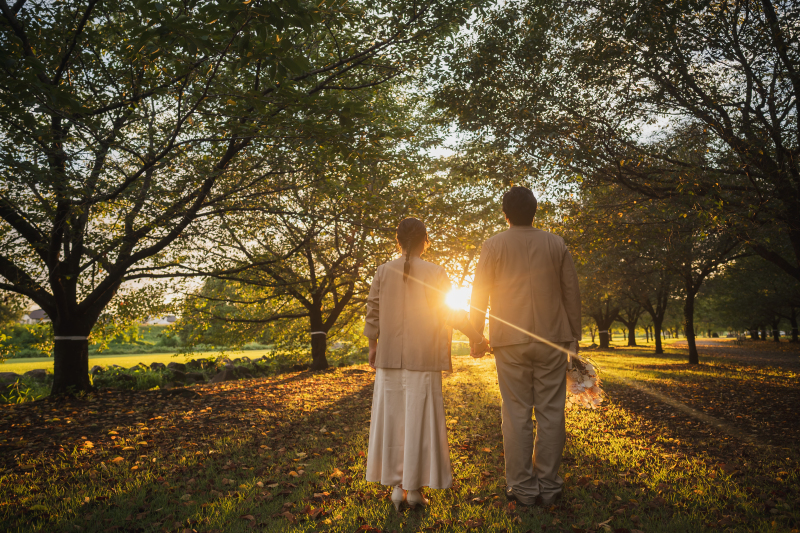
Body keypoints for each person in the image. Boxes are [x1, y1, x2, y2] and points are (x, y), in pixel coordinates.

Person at [364, 217, 488, 511]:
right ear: (425, 240)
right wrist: (477, 336)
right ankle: (415, 490)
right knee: (420, 421)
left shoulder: (383, 271)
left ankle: (398, 489)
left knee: (393, 421)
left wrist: (373, 346)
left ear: (398, 240)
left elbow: (373, 309)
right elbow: (452, 313)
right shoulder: (435, 272)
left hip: (390, 357)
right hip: (425, 358)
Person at [469, 186, 581, 507]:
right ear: (535, 211)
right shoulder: (556, 243)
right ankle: (549, 484)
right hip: (553, 337)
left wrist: (477, 334)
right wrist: (574, 335)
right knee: (551, 409)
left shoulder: (493, 245)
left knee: (516, 410)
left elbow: (479, 294)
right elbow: (570, 291)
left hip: (509, 339)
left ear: (505, 213)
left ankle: (523, 488)